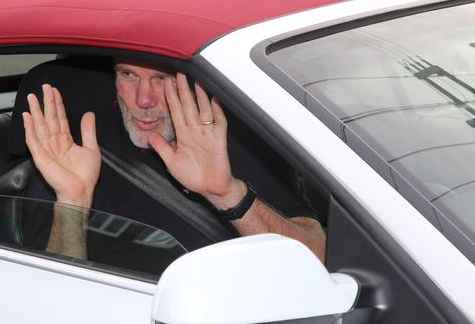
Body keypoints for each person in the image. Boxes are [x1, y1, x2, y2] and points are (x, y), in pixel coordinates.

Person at [21, 59, 326, 261]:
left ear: (193, 83)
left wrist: (227, 194)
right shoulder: (73, 158)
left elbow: (316, 257)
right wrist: (74, 198)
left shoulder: (243, 142)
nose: (143, 99)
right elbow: (61, 296)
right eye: (128, 74)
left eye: (161, 78)